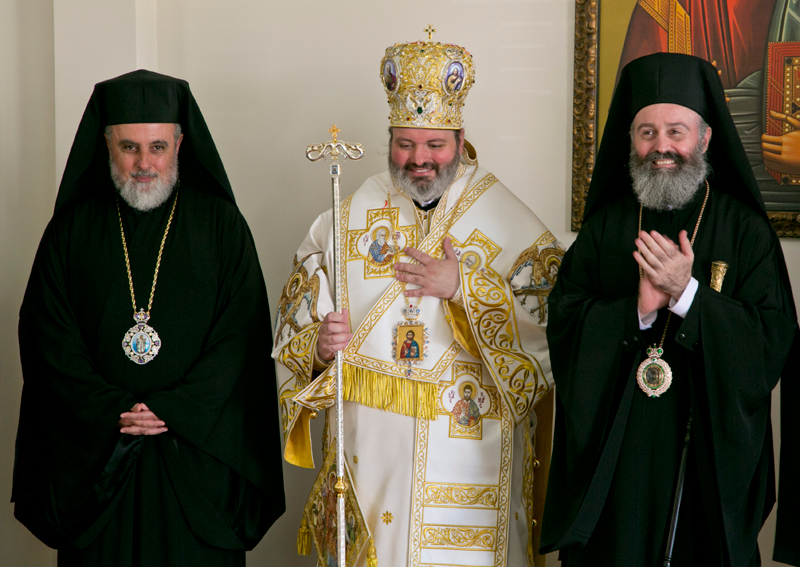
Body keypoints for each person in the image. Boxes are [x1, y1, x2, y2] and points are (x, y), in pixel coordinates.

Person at [273, 33, 563, 567]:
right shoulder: (351, 210)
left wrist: (463, 289)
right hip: (371, 457)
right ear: (389, 140)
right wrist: (318, 347)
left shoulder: (504, 216)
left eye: (435, 145)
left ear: (459, 139)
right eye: (405, 145)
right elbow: (294, 323)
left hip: (470, 448)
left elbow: (552, 325)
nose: (419, 160)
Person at [13, 70, 285, 566]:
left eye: (157, 146)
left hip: (197, 467)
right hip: (99, 467)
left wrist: (175, 409)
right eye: (130, 147)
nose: (144, 163)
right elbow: (47, 337)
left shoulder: (221, 226)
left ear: (180, 143)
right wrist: (111, 407)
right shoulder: (72, 230)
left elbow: (241, 338)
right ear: (106, 144)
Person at [540, 53, 799, 566]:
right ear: (630, 141)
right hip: (616, 470)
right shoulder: (605, 230)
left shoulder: (745, 231)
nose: (662, 147)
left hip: (705, 459)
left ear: (704, 138)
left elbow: (774, 341)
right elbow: (565, 326)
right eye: (647, 132)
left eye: (676, 132)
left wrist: (689, 297)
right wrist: (635, 308)